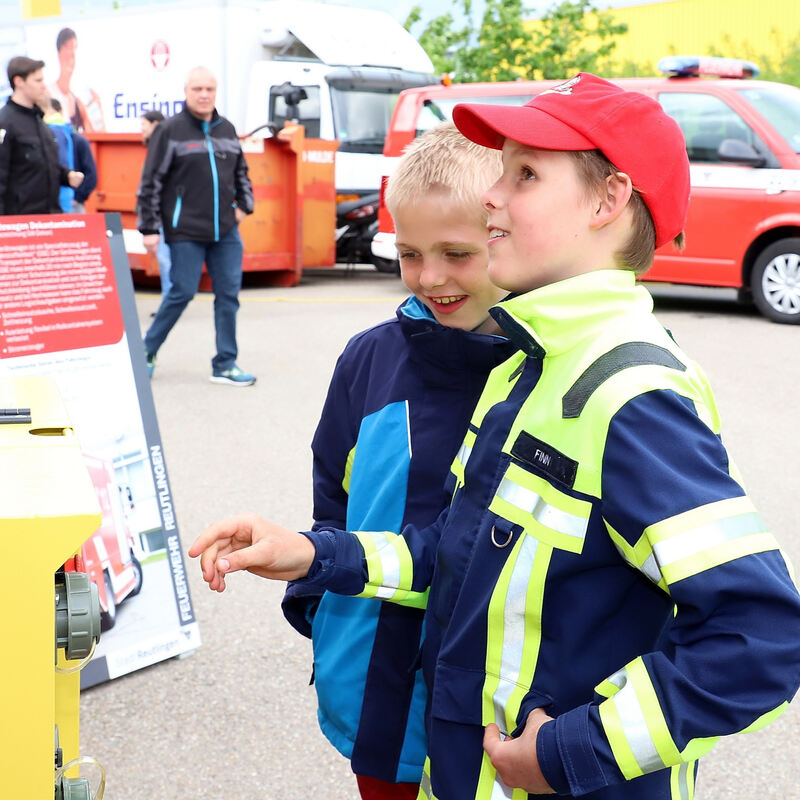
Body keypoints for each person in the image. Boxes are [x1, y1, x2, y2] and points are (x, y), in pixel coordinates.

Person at [189, 74, 800, 800]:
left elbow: (761, 638)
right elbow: (457, 553)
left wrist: (573, 750)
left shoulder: (631, 394)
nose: (493, 197)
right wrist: (315, 553)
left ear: (608, 201)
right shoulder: (528, 368)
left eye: (526, 175)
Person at [280, 122, 513, 800]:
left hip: (495, 721)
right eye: (410, 253)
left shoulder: (548, 375)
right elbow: (333, 497)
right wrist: (317, 603)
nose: (431, 277)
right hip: (376, 696)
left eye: (457, 253)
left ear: (507, 236)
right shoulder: (369, 359)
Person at [137, 66, 255, 385]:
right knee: (182, 291)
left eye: (210, 89)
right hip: (185, 230)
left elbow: (242, 173)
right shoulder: (170, 130)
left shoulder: (226, 129)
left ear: (216, 92)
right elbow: (151, 182)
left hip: (225, 231)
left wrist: (245, 207)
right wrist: (148, 228)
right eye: (197, 89)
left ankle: (225, 363)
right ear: (186, 92)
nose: (204, 95)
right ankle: (146, 351)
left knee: (229, 295)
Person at [0, 56, 84, 215]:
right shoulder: (5, 123)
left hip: (49, 219)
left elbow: (40, 163)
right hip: (20, 225)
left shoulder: (39, 122)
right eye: (38, 81)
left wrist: (66, 175)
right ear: (19, 82)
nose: (43, 86)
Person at [39, 94, 96, 213]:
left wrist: (77, 197)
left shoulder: (77, 140)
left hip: (70, 202)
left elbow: (91, 174)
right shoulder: (43, 135)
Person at [139, 110, 172, 297]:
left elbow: (152, 185)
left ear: (155, 125)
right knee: (166, 259)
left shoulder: (162, 148)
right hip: (160, 213)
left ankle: (169, 303)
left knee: (166, 259)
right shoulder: (156, 147)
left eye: (144, 125)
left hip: (162, 213)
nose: (141, 130)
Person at [49, 27, 105, 132]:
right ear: (59, 53)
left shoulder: (80, 98)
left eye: (74, 48)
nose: (72, 54)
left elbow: (98, 133)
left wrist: (97, 111)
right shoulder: (49, 92)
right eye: (68, 48)